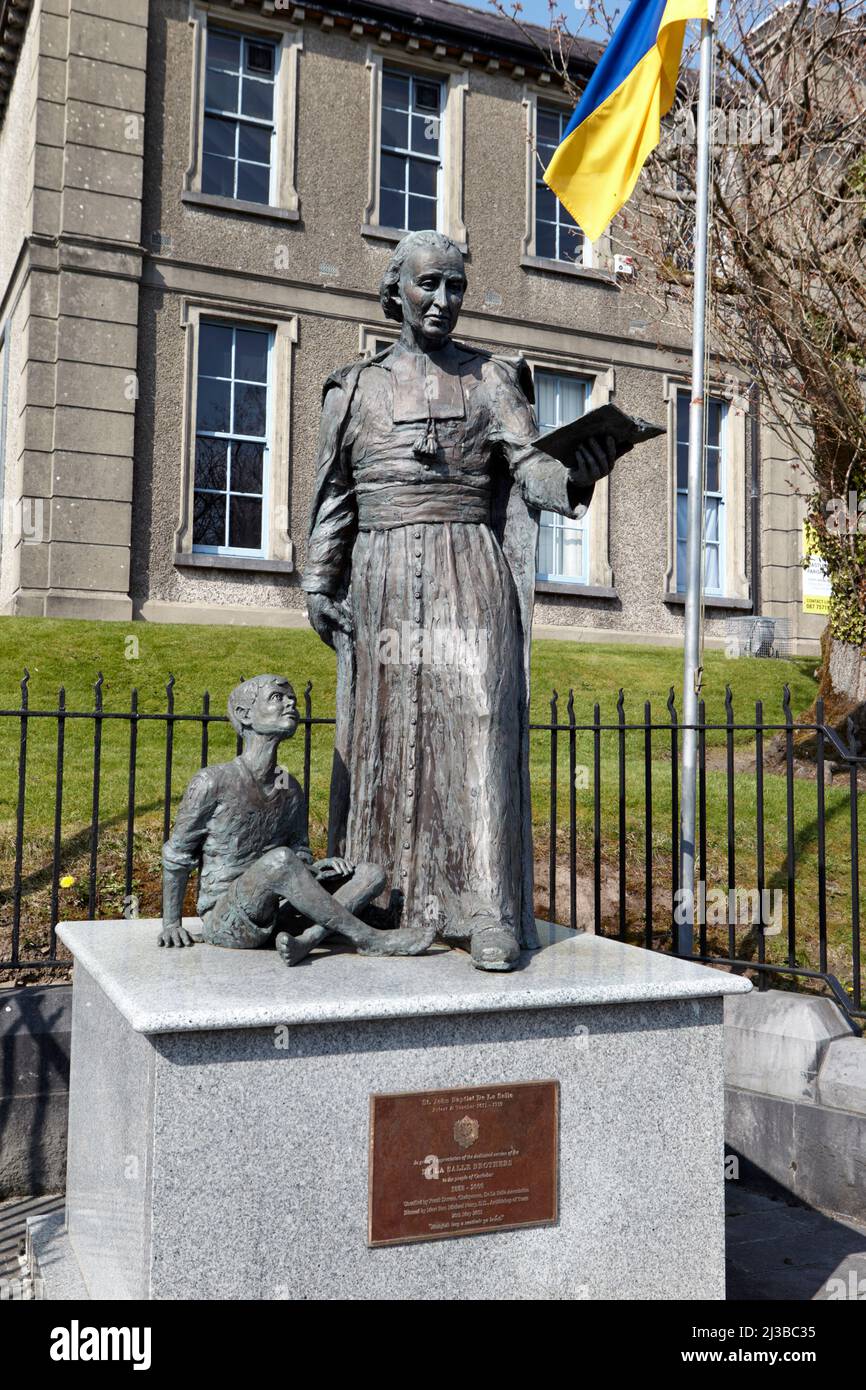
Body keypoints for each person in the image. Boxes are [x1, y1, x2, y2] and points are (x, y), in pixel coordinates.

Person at [302, 231, 617, 971]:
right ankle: (381, 895)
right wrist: (319, 581)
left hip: (468, 566)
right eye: (429, 285)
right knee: (390, 734)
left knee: (478, 721)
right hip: (380, 574)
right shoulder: (352, 388)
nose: (443, 301)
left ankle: (488, 911)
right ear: (397, 289)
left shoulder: (492, 380)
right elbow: (334, 497)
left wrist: (577, 479)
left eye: (455, 288)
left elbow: (531, 466)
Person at [158, 674, 435, 965]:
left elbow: (298, 852)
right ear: (245, 715)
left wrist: (317, 867)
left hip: (281, 912)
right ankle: (369, 939)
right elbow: (177, 854)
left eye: (291, 697)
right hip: (228, 920)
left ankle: (309, 939)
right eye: (277, 697)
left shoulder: (289, 788)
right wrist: (171, 924)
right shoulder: (211, 781)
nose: (290, 702)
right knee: (280, 861)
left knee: (370, 874)